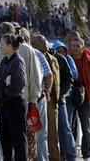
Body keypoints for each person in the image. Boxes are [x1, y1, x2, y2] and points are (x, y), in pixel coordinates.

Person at [21, 28, 53, 161]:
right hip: (23, 100)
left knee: (39, 133)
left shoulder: (36, 54)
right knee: (33, 133)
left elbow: (48, 75)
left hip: (37, 99)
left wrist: (47, 91)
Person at [0, 34, 27, 160]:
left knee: (18, 140)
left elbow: (19, 83)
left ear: (10, 46)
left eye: (3, 44)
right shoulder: (4, 61)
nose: (1, 47)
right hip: (5, 105)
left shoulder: (17, 61)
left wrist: (5, 93)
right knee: (5, 139)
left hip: (15, 105)